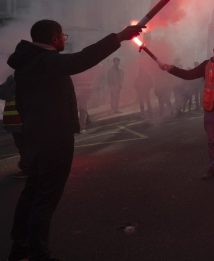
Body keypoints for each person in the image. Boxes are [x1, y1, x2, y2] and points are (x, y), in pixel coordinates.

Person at [5, 19, 142, 261]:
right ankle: (38, 253)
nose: (64, 40)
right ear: (54, 39)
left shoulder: (28, 61)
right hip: (53, 136)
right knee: (45, 197)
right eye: (62, 36)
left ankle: (21, 249)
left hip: (36, 135)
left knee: (33, 192)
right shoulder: (45, 61)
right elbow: (82, 59)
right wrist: (118, 37)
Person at [160, 43, 214, 180]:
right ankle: (213, 168)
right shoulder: (206, 65)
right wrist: (170, 68)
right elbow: (188, 75)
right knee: (211, 142)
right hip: (210, 110)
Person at [0, 73, 28, 179]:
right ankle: (32, 167)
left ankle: (28, 169)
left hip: (15, 121)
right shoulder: (34, 76)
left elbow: (1, 93)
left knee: (23, 146)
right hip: (28, 120)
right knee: (29, 145)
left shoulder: (13, 78)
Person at [72, 68, 93, 133]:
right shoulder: (87, 73)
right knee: (82, 110)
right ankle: (81, 127)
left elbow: (89, 85)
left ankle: (80, 127)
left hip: (80, 94)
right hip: (80, 94)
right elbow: (90, 85)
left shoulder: (75, 73)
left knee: (81, 110)